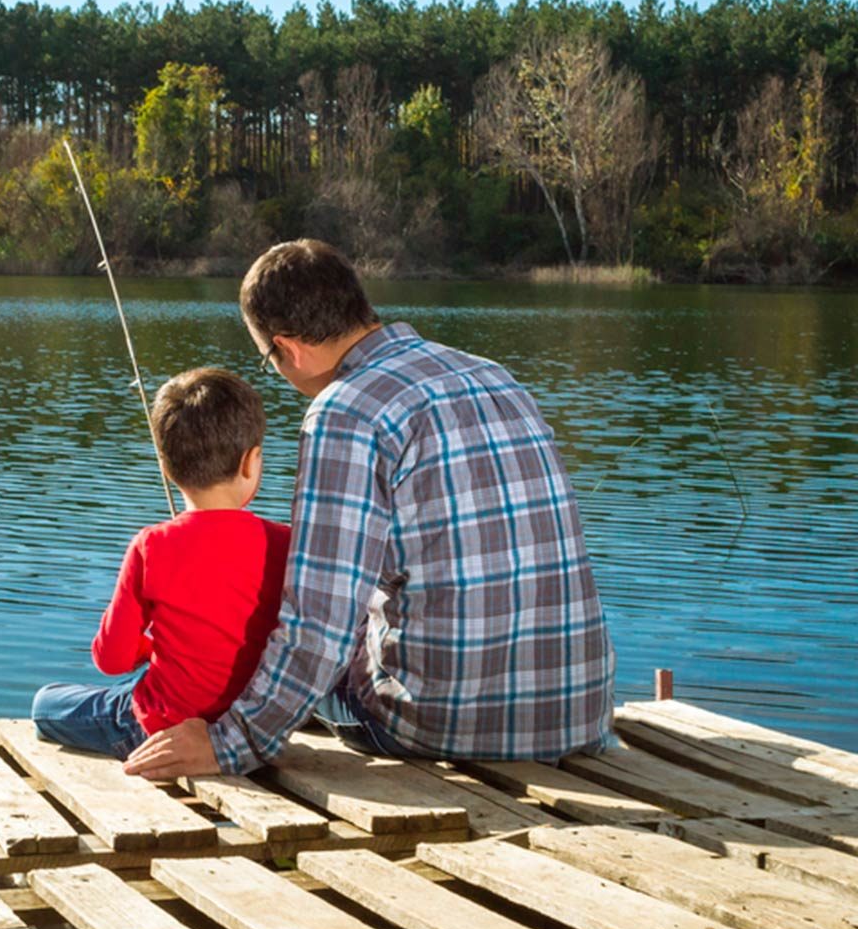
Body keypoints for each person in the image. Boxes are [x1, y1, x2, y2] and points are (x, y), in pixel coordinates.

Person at [124, 239, 615, 778]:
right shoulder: (494, 375)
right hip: (577, 714)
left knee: (253, 660)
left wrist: (230, 743)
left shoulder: (345, 412)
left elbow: (319, 624)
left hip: (441, 726)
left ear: (289, 348)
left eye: (270, 362)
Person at [31, 367, 290, 759]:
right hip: (249, 725)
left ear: (166, 468)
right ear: (251, 463)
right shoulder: (285, 543)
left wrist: (148, 645)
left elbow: (111, 659)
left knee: (46, 705)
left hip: (158, 727)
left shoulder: (151, 546)